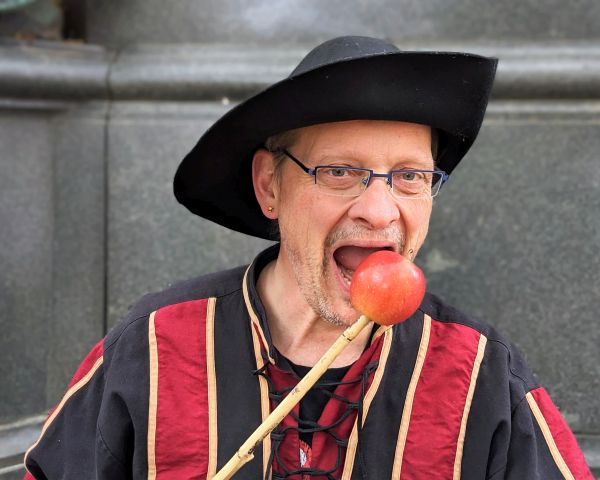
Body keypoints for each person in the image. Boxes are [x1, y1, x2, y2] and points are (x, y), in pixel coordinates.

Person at [23, 36, 593, 480]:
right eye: (340, 171)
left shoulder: (482, 374)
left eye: (409, 176)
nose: (379, 210)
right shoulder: (149, 349)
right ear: (270, 187)